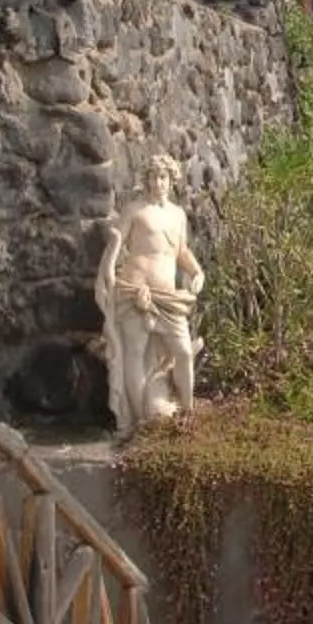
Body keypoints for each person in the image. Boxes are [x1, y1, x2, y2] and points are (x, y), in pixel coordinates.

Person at [100, 155, 201, 433]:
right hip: (135, 291)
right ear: (146, 180)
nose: (158, 182)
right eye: (153, 177)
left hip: (168, 297)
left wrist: (197, 272)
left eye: (163, 177)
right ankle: (139, 419)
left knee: (183, 352)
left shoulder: (178, 215)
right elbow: (116, 248)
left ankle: (187, 411)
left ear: (172, 180)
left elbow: (181, 251)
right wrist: (108, 273)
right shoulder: (135, 210)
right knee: (135, 353)